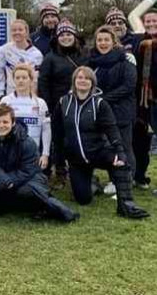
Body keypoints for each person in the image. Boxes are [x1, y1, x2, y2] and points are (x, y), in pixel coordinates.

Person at [52, 66, 148, 219]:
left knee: (120, 162)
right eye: (79, 78)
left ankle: (126, 204)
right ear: (74, 81)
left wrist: (120, 152)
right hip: (77, 160)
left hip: (98, 151)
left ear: (92, 83)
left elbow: (112, 129)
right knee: (83, 199)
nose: (83, 81)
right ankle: (93, 184)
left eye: (87, 78)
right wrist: (59, 160)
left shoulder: (100, 104)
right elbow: (57, 133)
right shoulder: (63, 102)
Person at [0, 104, 78, 222]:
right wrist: (3, 180)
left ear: (13, 123)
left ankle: (50, 209)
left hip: (27, 178)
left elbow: (28, 170)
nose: (1, 125)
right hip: (0, 177)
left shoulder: (26, 142)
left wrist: (9, 182)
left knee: (26, 191)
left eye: (5, 122)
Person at [37, 19, 86, 184]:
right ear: (57, 37)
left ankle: (82, 171)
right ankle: (60, 172)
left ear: (75, 36)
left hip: (81, 104)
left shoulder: (84, 55)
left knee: (80, 138)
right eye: (62, 35)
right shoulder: (50, 58)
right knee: (58, 140)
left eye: (69, 34)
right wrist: (48, 104)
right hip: (58, 105)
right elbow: (43, 82)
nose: (65, 38)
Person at [88, 25, 137, 180]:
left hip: (122, 111)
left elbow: (129, 86)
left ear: (114, 41)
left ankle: (126, 179)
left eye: (106, 40)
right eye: (100, 40)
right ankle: (113, 179)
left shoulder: (126, 60)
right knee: (109, 147)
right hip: (103, 112)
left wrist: (104, 99)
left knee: (124, 147)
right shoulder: (93, 62)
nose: (103, 43)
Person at [0, 63, 51, 171]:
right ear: (13, 80)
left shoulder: (40, 103)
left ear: (31, 80)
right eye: (17, 78)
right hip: (10, 153)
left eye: (24, 77)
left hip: (33, 154)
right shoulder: (6, 101)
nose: (21, 80)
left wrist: (45, 154)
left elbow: (46, 130)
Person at [135, 8, 157, 188]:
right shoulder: (140, 43)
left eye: (154, 20)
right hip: (145, 99)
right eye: (147, 21)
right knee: (143, 140)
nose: (150, 24)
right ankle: (139, 176)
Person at [0, 20, 43, 95]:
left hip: (28, 95)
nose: (17, 32)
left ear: (26, 32)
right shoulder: (6, 48)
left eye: (20, 30)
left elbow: (35, 81)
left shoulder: (36, 54)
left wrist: (33, 98)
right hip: (10, 95)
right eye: (14, 30)